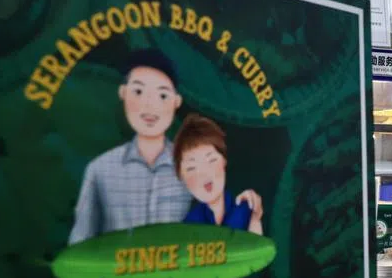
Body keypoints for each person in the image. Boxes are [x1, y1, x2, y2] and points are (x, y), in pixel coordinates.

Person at [69, 49, 192, 244]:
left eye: (162, 95)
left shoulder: (194, 170)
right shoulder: (100, 169)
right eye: (138, 92)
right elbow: (80, 242)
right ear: (123, 93)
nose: (150, 105)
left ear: (176, 102)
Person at [174, 113, 264, 234]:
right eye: (191, 168)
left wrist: (255, 218)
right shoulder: (188, 228)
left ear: (224, 161)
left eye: (211, 160)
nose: (204, 174)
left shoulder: (245, 209)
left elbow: (259, 250)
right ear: (181, 176)